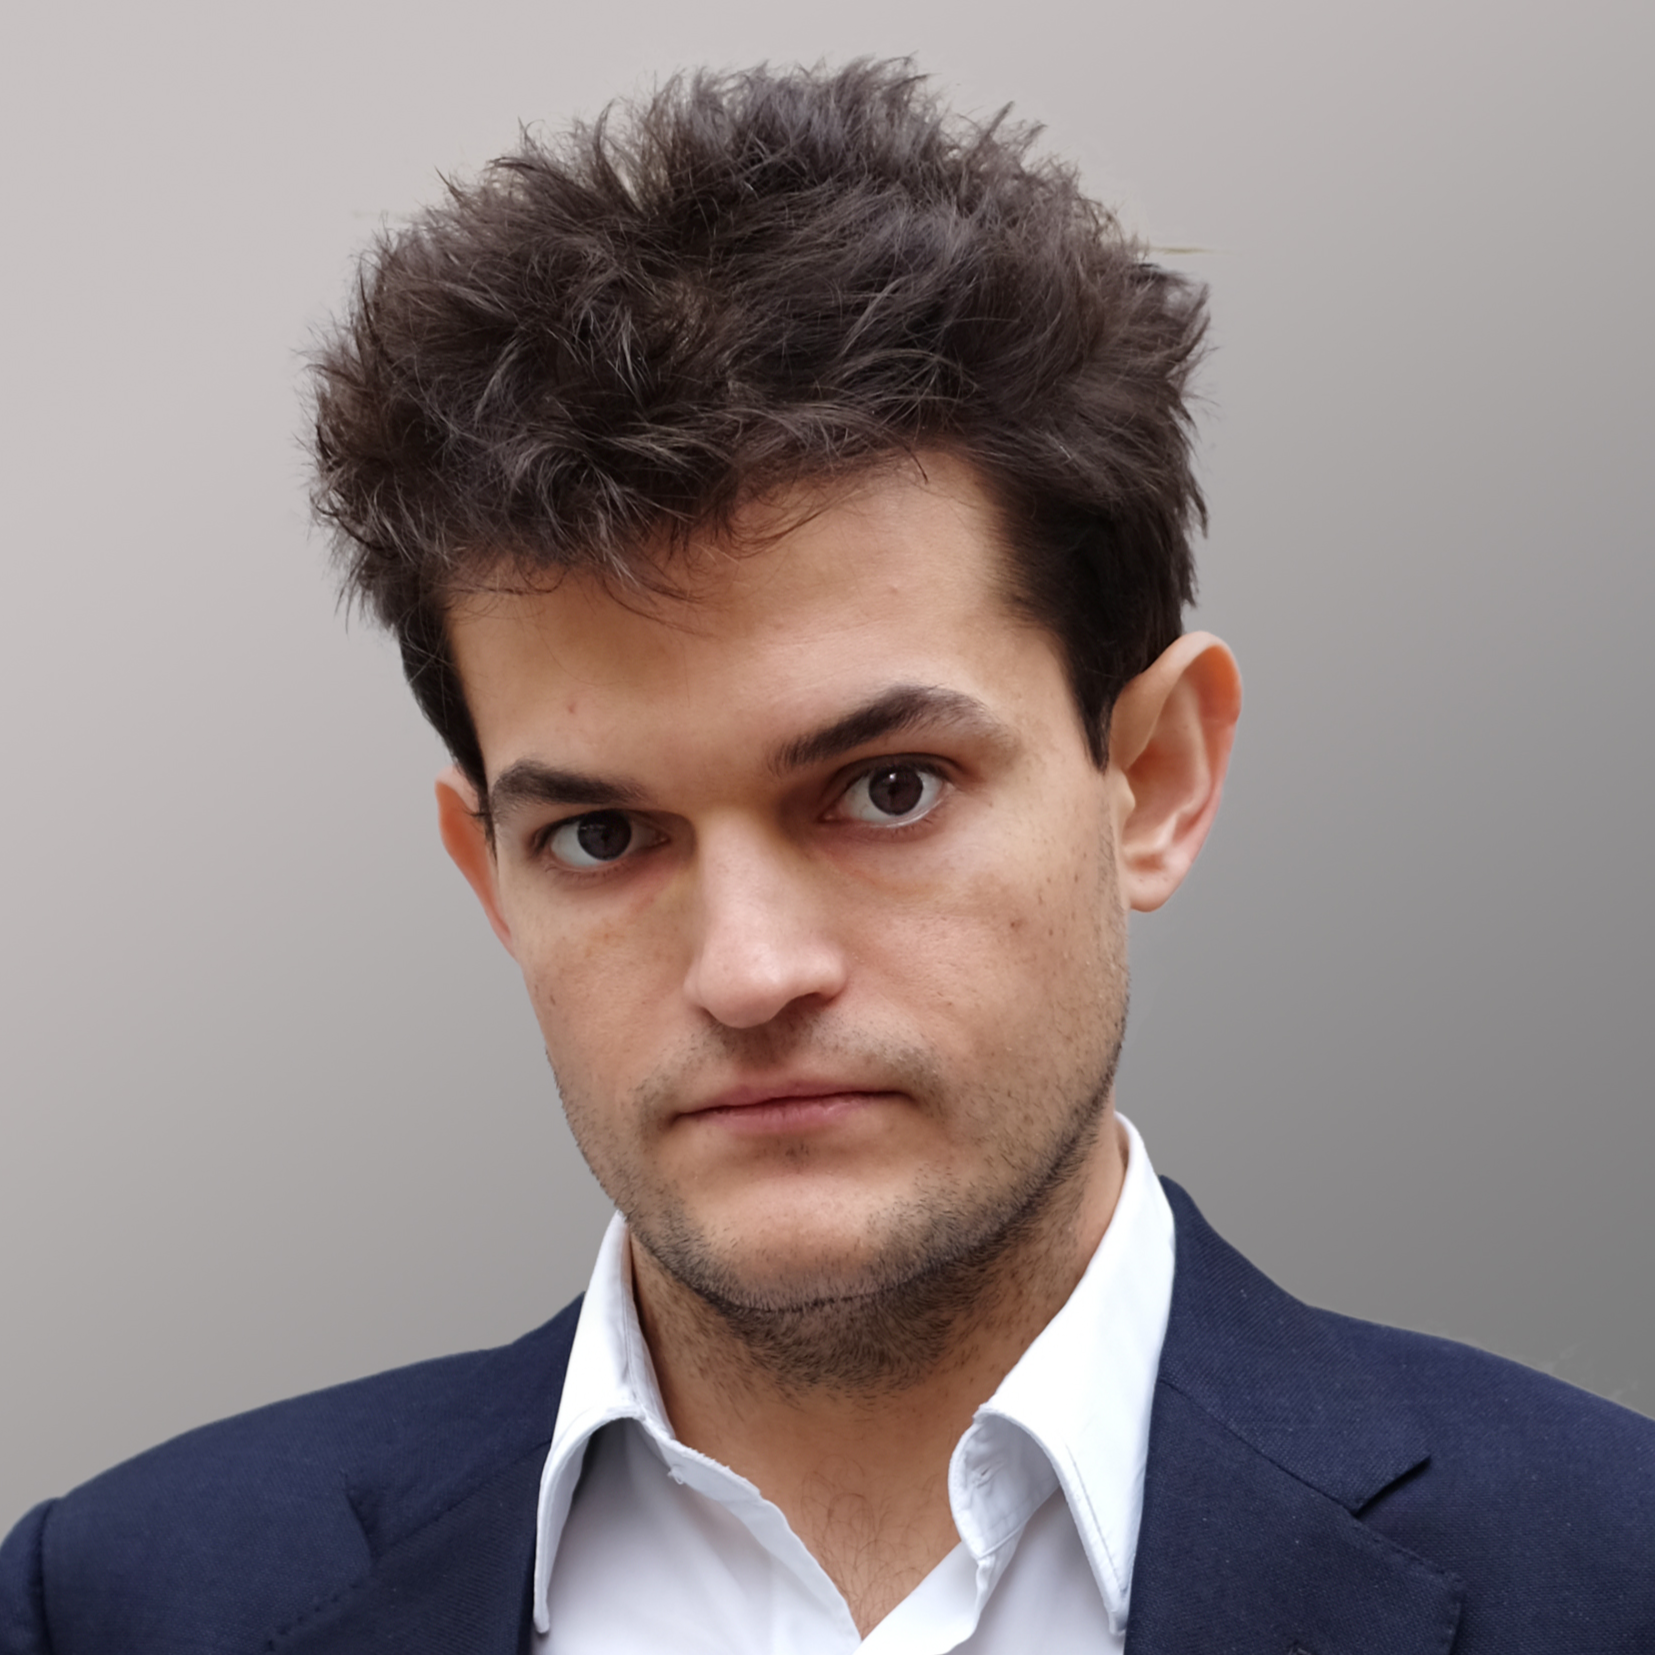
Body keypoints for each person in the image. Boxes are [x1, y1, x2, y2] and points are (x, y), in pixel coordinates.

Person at [2, 58, 1650, 1655]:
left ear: (1152, 776)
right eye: (600, 833)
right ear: (487, 869)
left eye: (886, 790)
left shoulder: (1608, 1574)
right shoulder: (124, 1604)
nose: (748, 972)